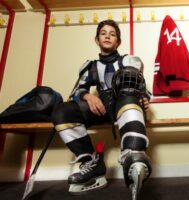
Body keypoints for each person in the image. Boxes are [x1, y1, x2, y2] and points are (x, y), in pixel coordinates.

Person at [52, 19, 152, 198]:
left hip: (125, 103)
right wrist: (88, 96)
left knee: (128, 94)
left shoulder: (128, 61)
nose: (107, 36)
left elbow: (142, 88)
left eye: (112, 34)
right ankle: (91, 163)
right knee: (62, 111)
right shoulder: (90, 67)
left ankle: (133, 154)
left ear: (118, 42)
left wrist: (144, 99)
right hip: (102, 109)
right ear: (97, 39)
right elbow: (78, 91)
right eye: (103, 33)